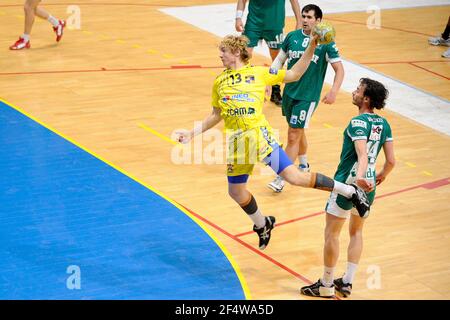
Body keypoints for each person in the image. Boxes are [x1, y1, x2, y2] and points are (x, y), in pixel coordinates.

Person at [175, 34, 370, 251]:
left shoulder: (259, 73)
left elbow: (295, 73)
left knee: (294, 177)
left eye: (224, 51)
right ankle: (262, 224)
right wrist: (191, 133)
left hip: (259, 136)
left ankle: (350, 191)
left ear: (236, 52)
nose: (220, 55)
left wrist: (312, 46)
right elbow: (216, 114)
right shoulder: (219, 82)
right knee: (236, 191)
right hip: (238, 143)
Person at [300, 78, 395, 298]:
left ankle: (325, 285)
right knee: (357, 231)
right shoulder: (385, 124)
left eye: (358, 90)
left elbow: (361, 154)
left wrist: (359, 177)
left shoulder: (357, 122)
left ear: (366, 98)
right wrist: (380, 176)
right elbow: (391, 161)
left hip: (348, 184)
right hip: (369, 186)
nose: (354, 92)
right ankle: (347, 282)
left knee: (331, 234)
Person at [267, 4, 344, 193]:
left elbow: (339, 70)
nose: (305, 20)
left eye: (309, 17)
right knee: (297, 131)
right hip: (289, 93)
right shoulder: (292, 37)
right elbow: (279, 60)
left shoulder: (327, 42)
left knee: (293, 134)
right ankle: (303, 164)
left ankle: (282, 176)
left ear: (318, 21)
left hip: (307, 97)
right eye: (303, 16)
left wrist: (334, 91)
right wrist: (270, 79)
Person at [235, 0, 302, 105]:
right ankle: (242, 88)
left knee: (277, 59)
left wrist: (299, 21)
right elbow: (242, 1)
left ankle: (275, 90)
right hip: (253, 23)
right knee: (243, 55)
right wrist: (238, 18)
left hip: (275, 25)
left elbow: (294, 1)